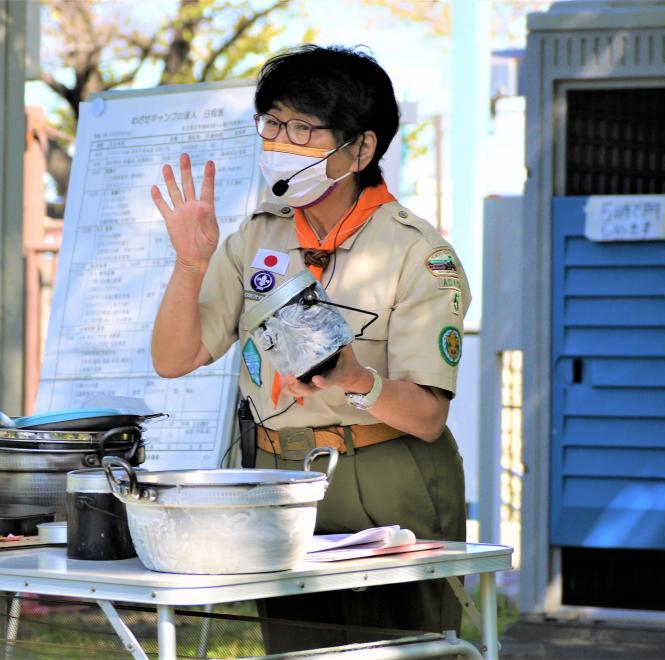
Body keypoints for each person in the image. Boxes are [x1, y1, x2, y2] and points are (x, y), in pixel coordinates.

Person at [150, 44, 470, 651]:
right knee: (296, 649)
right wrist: (190, 263)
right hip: (278, 478)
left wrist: (356, 378)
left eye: (303, 128)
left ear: (362, 148)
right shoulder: (256, 238)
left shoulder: (415, 253)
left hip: (384, 474)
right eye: (271, 124)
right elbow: (174, 359)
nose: (280, 142)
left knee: (397, 647)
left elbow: (428, 418)